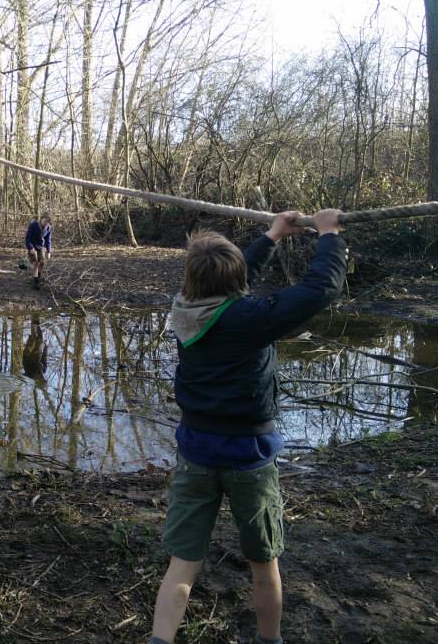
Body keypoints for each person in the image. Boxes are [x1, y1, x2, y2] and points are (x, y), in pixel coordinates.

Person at [148, 209, 346, 644]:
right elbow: (319, 290)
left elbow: (231, 283)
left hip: (196, 453)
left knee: (182, 564)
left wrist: (272, 236)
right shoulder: (251, 319)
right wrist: (329, 235)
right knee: (263, 561)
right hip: (248, 458)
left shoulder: (185, 310)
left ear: (191, 278)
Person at [25, 212, 52, 289]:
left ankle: (38, 276)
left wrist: (49, 251)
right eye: (45, 221)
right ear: (41, 219)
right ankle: (35, 281)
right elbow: (28, 238)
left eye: (47, 222)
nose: (45, 223)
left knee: (42, 263)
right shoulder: (33, 225)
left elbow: (48, 240)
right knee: (35, 262)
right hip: (32, 245)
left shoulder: (48, 228)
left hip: (40, 246)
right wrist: (30, 248)